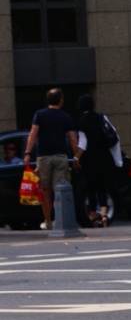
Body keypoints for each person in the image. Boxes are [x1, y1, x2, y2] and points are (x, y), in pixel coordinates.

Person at [24, 88, 78, 229]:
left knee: (45, 190)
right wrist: (76, 156)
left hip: (43, 156)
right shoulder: (65, 117)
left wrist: (27, 153)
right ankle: (60, 220)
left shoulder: (39, 115)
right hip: (60, 156)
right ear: (60, 100)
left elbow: (33, 134)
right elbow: (73, 138)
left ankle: (48, 221)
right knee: (59, 189)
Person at [74, 94, 123, 228]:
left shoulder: (81, 121)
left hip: (89, 159)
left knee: (90, 188)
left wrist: (76, 157)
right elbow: (113, 134)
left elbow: (83, 143)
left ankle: (93, 217)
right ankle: (104, 214)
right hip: (104, 157)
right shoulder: (101, 117)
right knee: (102, 187)